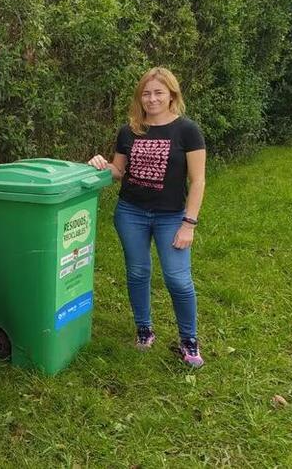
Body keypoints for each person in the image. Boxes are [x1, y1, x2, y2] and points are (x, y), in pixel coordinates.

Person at [88, 66, 206, 367]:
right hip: (131, 213)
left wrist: (188, 224)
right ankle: (144, 330)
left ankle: (188, 341)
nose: (151, 99)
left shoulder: (188, 131)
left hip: (171, 217)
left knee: (177, 279)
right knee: (138, 273)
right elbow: (118, 172)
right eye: (146, 93)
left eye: (158, 93)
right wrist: (101, 164)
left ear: (171, 95)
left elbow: (198, 181)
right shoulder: (129, 131)